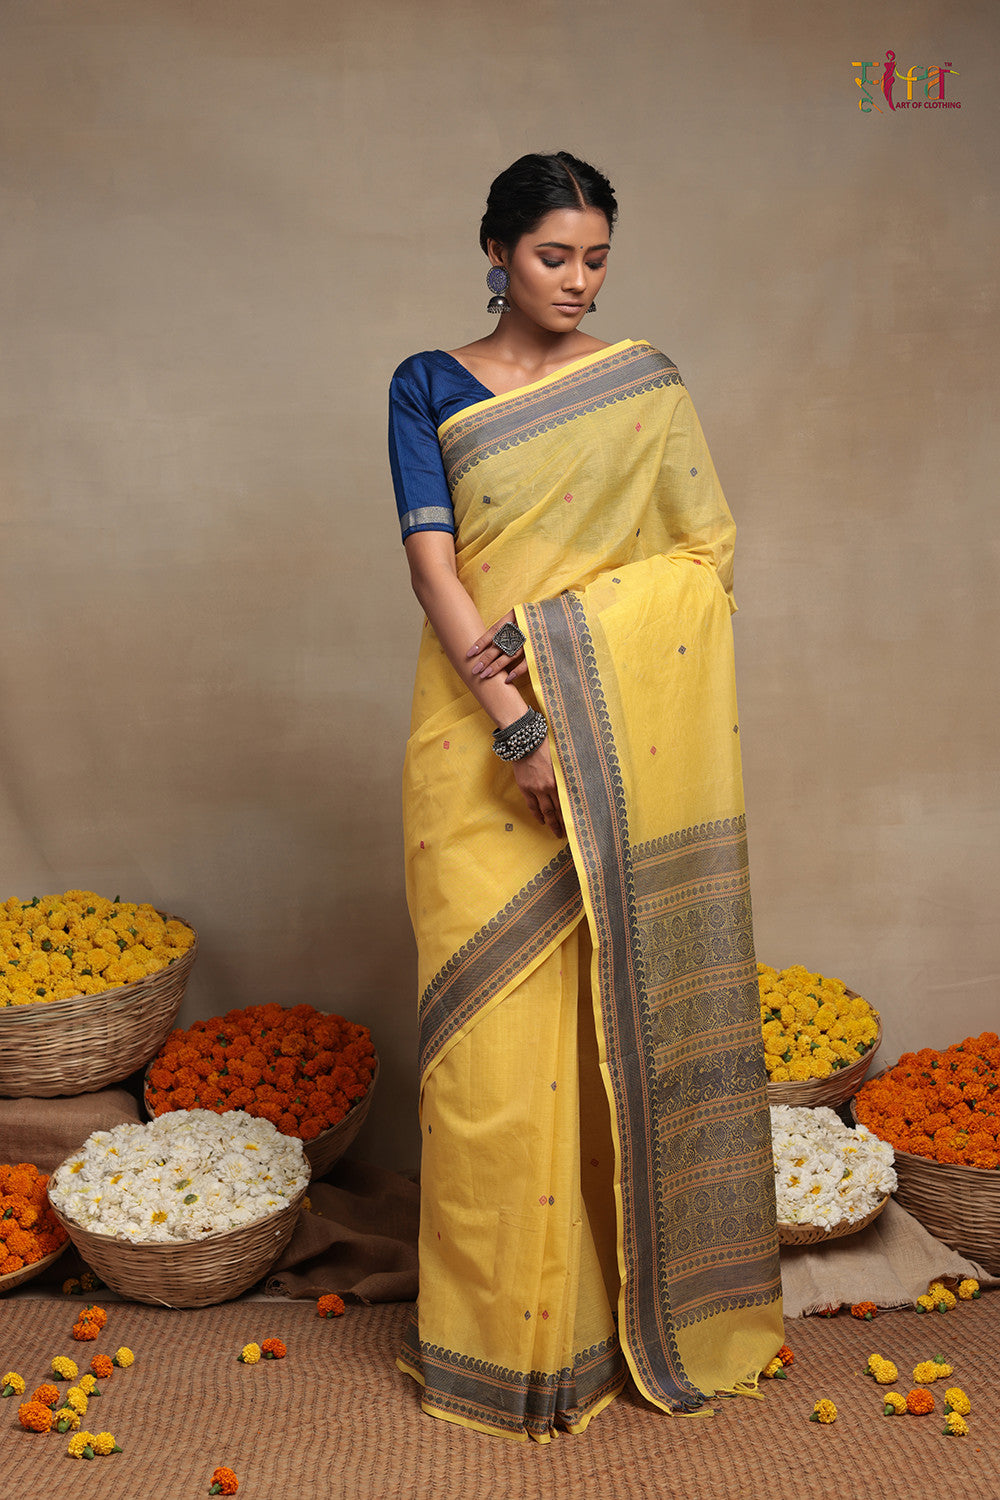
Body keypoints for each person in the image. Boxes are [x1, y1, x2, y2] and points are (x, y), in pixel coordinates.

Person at [388, 151, 782, 1444]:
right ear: (496, 252)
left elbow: (703, 557)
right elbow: (436, 572)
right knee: (490, 1062)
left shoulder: (642, 386)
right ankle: (502, 1355)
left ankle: (614, 1328)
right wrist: (518, 727)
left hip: (616, 742)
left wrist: (565, 665)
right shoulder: (428, 385)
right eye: (553, 256)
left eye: (596, 258)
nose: (577, 281)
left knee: (610, 1031)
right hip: (472, 740)